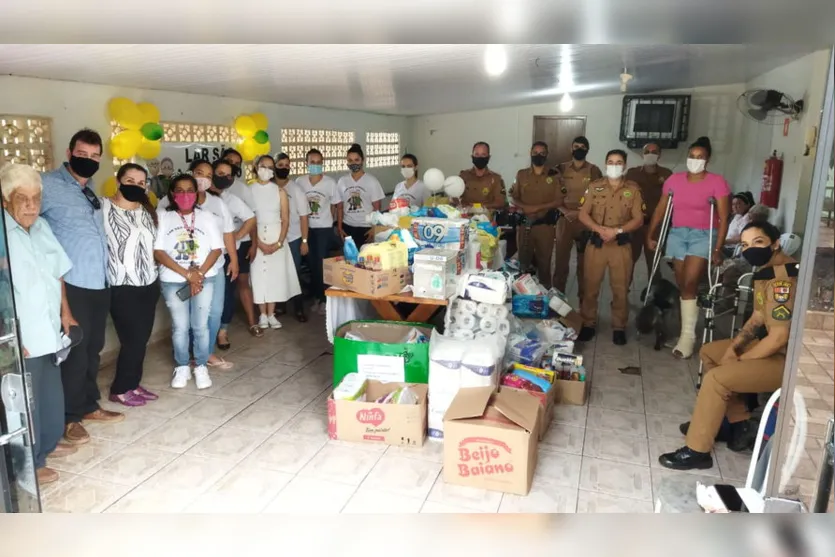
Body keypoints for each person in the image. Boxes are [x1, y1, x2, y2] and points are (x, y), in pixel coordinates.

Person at [659, 222, 797, 470]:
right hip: (770, 346)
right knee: (711, 352)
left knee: (717, 379)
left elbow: (778, 338)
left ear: (775, 243)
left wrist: (739, 360)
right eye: (745, 244)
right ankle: (737, 423)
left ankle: (697, 451)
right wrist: (733, 349)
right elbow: (757, 317)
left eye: (758, 242)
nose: (750, 249)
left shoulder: (782, 280)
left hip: (789, 360)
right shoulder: (766, 271)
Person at [39, 128, 123, 446]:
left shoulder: (89, 191)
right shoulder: (47, 185)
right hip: (71, 283)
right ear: (69, 153)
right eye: (81, 154)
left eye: (94, 156)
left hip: (98, 281)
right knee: (74, 351)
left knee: (92, 349)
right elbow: (25, 222)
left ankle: (88, 405)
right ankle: (69, 417)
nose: (88, 160)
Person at [1, 163, 79, 484]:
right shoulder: (3, 234)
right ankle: (28, 463)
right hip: (21, 333)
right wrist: (7, 334)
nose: (32, 206)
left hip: (48, 328)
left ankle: (47, 444)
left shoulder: (41, 226)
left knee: (50, 396)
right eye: (23, 199)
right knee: (25, 403)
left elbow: (57, 272)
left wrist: (66, 313)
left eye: (36, 198)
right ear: (6, 200)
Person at [647, 136, 731, 359]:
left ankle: (687, 337)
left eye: (700, 157)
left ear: (707, 160)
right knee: (683, 283)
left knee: (691, 282)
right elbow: (661, 209)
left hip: (703, 235)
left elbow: (724, 217)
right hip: (677, 233)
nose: (695, 160)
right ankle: (686, 328)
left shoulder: (717, 182)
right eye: (692, 156)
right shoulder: (674, 180)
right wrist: (651, 233)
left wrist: (718, 248)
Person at [158, 158, 241, 369]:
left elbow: (228, 233)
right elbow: (159, 243)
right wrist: (188, 274)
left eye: (208, 175)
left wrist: (234, 259)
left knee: (214, 312)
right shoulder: (166, 206)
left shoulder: (216, 203)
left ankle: (206, 353)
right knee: (185, 317)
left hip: (213, 267)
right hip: (179, 271)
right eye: (199, 173)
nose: (203, 179)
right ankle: (185, 355)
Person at [154, 174, 223, 390]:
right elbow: (158, 251)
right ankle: (182, 365)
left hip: (204, 279)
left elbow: (216, 249)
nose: (185, 195)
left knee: (200, 326)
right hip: (173, 280)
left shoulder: (207, 217)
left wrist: (198, 274)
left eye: (190, 191)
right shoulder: (163, 217)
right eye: (180, 191)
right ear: (172, 194)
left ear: (197, 193)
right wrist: (187, 274)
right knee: (180, 327)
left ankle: (200, 365)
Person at [102, 163, 160, 406]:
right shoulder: (103, 208)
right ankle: (120, 389)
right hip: (122, 285)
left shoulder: (146, 211)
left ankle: (133, 383)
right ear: (118, 181)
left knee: (141, 338)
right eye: (130, 181)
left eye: (141, 183)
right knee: (132, 340)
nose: (135, 186)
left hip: (149, 282)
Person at [577, 150, 644, 345]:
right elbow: (583, 214)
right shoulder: (594, 187)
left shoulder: (633, 189)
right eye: (611, 162)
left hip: (620, 246)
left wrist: (617, 231)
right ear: (605, 164)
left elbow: (638, 219)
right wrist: (599, 229)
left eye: (619, 162)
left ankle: (619, 326)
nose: (614, 165)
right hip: (596, 244)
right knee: (590, 286)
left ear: (625, 165)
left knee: (620, 288)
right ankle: (588, 323)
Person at [206, 158, 255, 349]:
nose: (224, 178)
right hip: (203, 256)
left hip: (226, 255)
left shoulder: (230, 200)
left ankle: (222, 331)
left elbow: (251, 219)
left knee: (226, 294)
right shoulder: (199, 196)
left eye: (228, 176)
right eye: (220, 174)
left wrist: (236, 237)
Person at [250, 155, 302, 328]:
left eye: (270, 167)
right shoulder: (249, 191)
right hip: (256, 235)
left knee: (274, 276)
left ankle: (271, 314)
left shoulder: (280, 192)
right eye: (263, 166)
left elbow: (285, 219)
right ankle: (262, 314)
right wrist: (258, 243)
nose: (266, 170)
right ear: (256, 167)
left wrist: (279, 243)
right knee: (258, 276)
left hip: (276, 235)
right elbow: (248, 219)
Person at [553, 136, 603, 302]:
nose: (579, 149)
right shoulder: (560, 168)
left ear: (587, 150)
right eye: (576, 146)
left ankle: (584, 303)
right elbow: (553, 193)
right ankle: (557, 300)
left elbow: (598, 197)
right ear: (571, 148)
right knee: (561, 263)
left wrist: (580, 212)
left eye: (582, 147)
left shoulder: (594, 170)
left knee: (585, 265)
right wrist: (565, 211)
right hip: (565, 219)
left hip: (585, 221)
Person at [510, 141, 563, 288]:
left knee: (544, 265)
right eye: (535, 152)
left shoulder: (555, 175)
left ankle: (545, 294)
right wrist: (525, 207)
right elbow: (513, 197)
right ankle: (522, 295)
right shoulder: (521, 174)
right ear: (530, 153)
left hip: (545, 227)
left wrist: (536, 208)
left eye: (542, 153)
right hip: (525, 225)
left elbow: (559, 200)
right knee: (522, 264)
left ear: (547, 155)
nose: (538, 155)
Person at [224, 148, 262, 337]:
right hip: (220, 247)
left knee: (243, 281)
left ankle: (252, 322)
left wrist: (253, 244)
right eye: (229, 161)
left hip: (243, 242)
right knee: (224, 287)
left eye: (236, 163)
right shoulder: (211, 189)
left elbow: (252, 218)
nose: (232, 165)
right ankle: (222, 327)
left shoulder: (242, 189)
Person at [297, 148, 340, 316]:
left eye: (318, 162)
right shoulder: (300, 182)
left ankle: (324, 299)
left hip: (323, 228)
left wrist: (331, 223)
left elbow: (334, 205)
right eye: (312, 162)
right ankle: (317, 296)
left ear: (322, 164)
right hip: (306, 228)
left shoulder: (330, 183)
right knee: (311, 263)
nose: (315, 165)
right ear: (306, 163)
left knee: (321, 264)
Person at [625, 142, 673, 282]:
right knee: (628, 262)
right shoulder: (632, 173)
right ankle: (623, 292)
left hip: (656, 226)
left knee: (654, 264)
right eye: (647, 152)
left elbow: (671, 200)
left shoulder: (667, 174)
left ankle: (654, 291)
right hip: (634, 225)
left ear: (660, 155)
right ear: (642, 154)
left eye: (654, 152)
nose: (650, 155)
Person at [275, 153, 311, 322]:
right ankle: (280, 305)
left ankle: (298, 308)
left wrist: (304, 241)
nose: (284, 168)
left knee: (295, 274)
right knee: (278, 273)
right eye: (280, 165)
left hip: (293, 238)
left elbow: (304, 217)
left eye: (287, 165)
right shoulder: (269, 188)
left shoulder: (296, 190)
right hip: (274, 239)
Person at [336, 143, 385, 249]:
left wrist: (374, 228)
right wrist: (339, 227)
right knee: (349, 257)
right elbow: (339, 207)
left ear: (362, 160)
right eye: (350, 160)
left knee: (366, 257)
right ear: (347, 162)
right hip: (347, 227)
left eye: (356, 160)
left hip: (366, 227)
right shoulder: (342, 181)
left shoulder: (372, 181)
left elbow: (377, 208)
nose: (353, 163)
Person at [459, 142, 507, 209]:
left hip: (487, 214)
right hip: (465, 214)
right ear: (472, 156)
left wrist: (476, 206)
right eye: (477, 154)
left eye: (483, 154)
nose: (480, 157)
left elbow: (500, 202)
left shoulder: (496, 178)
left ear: (489, 157)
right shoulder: (463, 176)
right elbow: (454, 198)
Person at [724, 191, 755, 255]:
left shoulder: (747, 219)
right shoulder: (737, 216)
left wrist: (724, 242)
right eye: (733, 204)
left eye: (738, 203)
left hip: (733, 249)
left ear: (747, 204)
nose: (735, 206)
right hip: (726, 246)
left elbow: (743, 238)